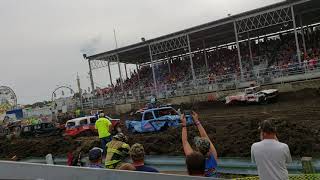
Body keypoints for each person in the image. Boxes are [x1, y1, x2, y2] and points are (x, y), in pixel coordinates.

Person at [181, 112, 218, 177]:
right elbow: (205, 137)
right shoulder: (213, 156)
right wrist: (197, 121)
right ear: (209, 147)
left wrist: (184, 124)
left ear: (197, 149)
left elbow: (185, 142)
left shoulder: (194, 159)